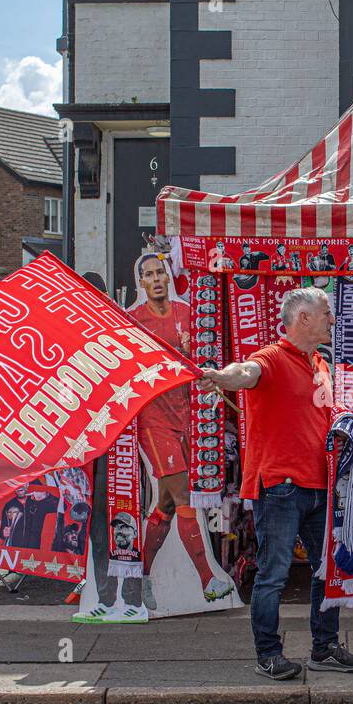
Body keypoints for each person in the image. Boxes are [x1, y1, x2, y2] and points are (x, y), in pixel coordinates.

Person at [201, 287, 353, 680]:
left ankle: (323, 649)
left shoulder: (320, 363)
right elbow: (244, 372)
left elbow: (322, 412)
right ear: (304, 318)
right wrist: (220, 376)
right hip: (279, 485)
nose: (333, 319)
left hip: (319, 484)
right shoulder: (271, 359)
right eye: (326, 313)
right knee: (273, 574)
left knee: (327, 569)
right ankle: (268, 655)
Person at [128, 253, 233, 600]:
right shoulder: (133, 321)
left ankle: (139, 575)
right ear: (141, 282)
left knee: (167, 506)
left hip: (189, 415)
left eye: (160, 272)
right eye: (148, 274)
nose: (156, 278)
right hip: (154, 421)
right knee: (184, 495)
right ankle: (208, 581)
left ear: (168, 277)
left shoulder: (189, 313)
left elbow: (208, 358)